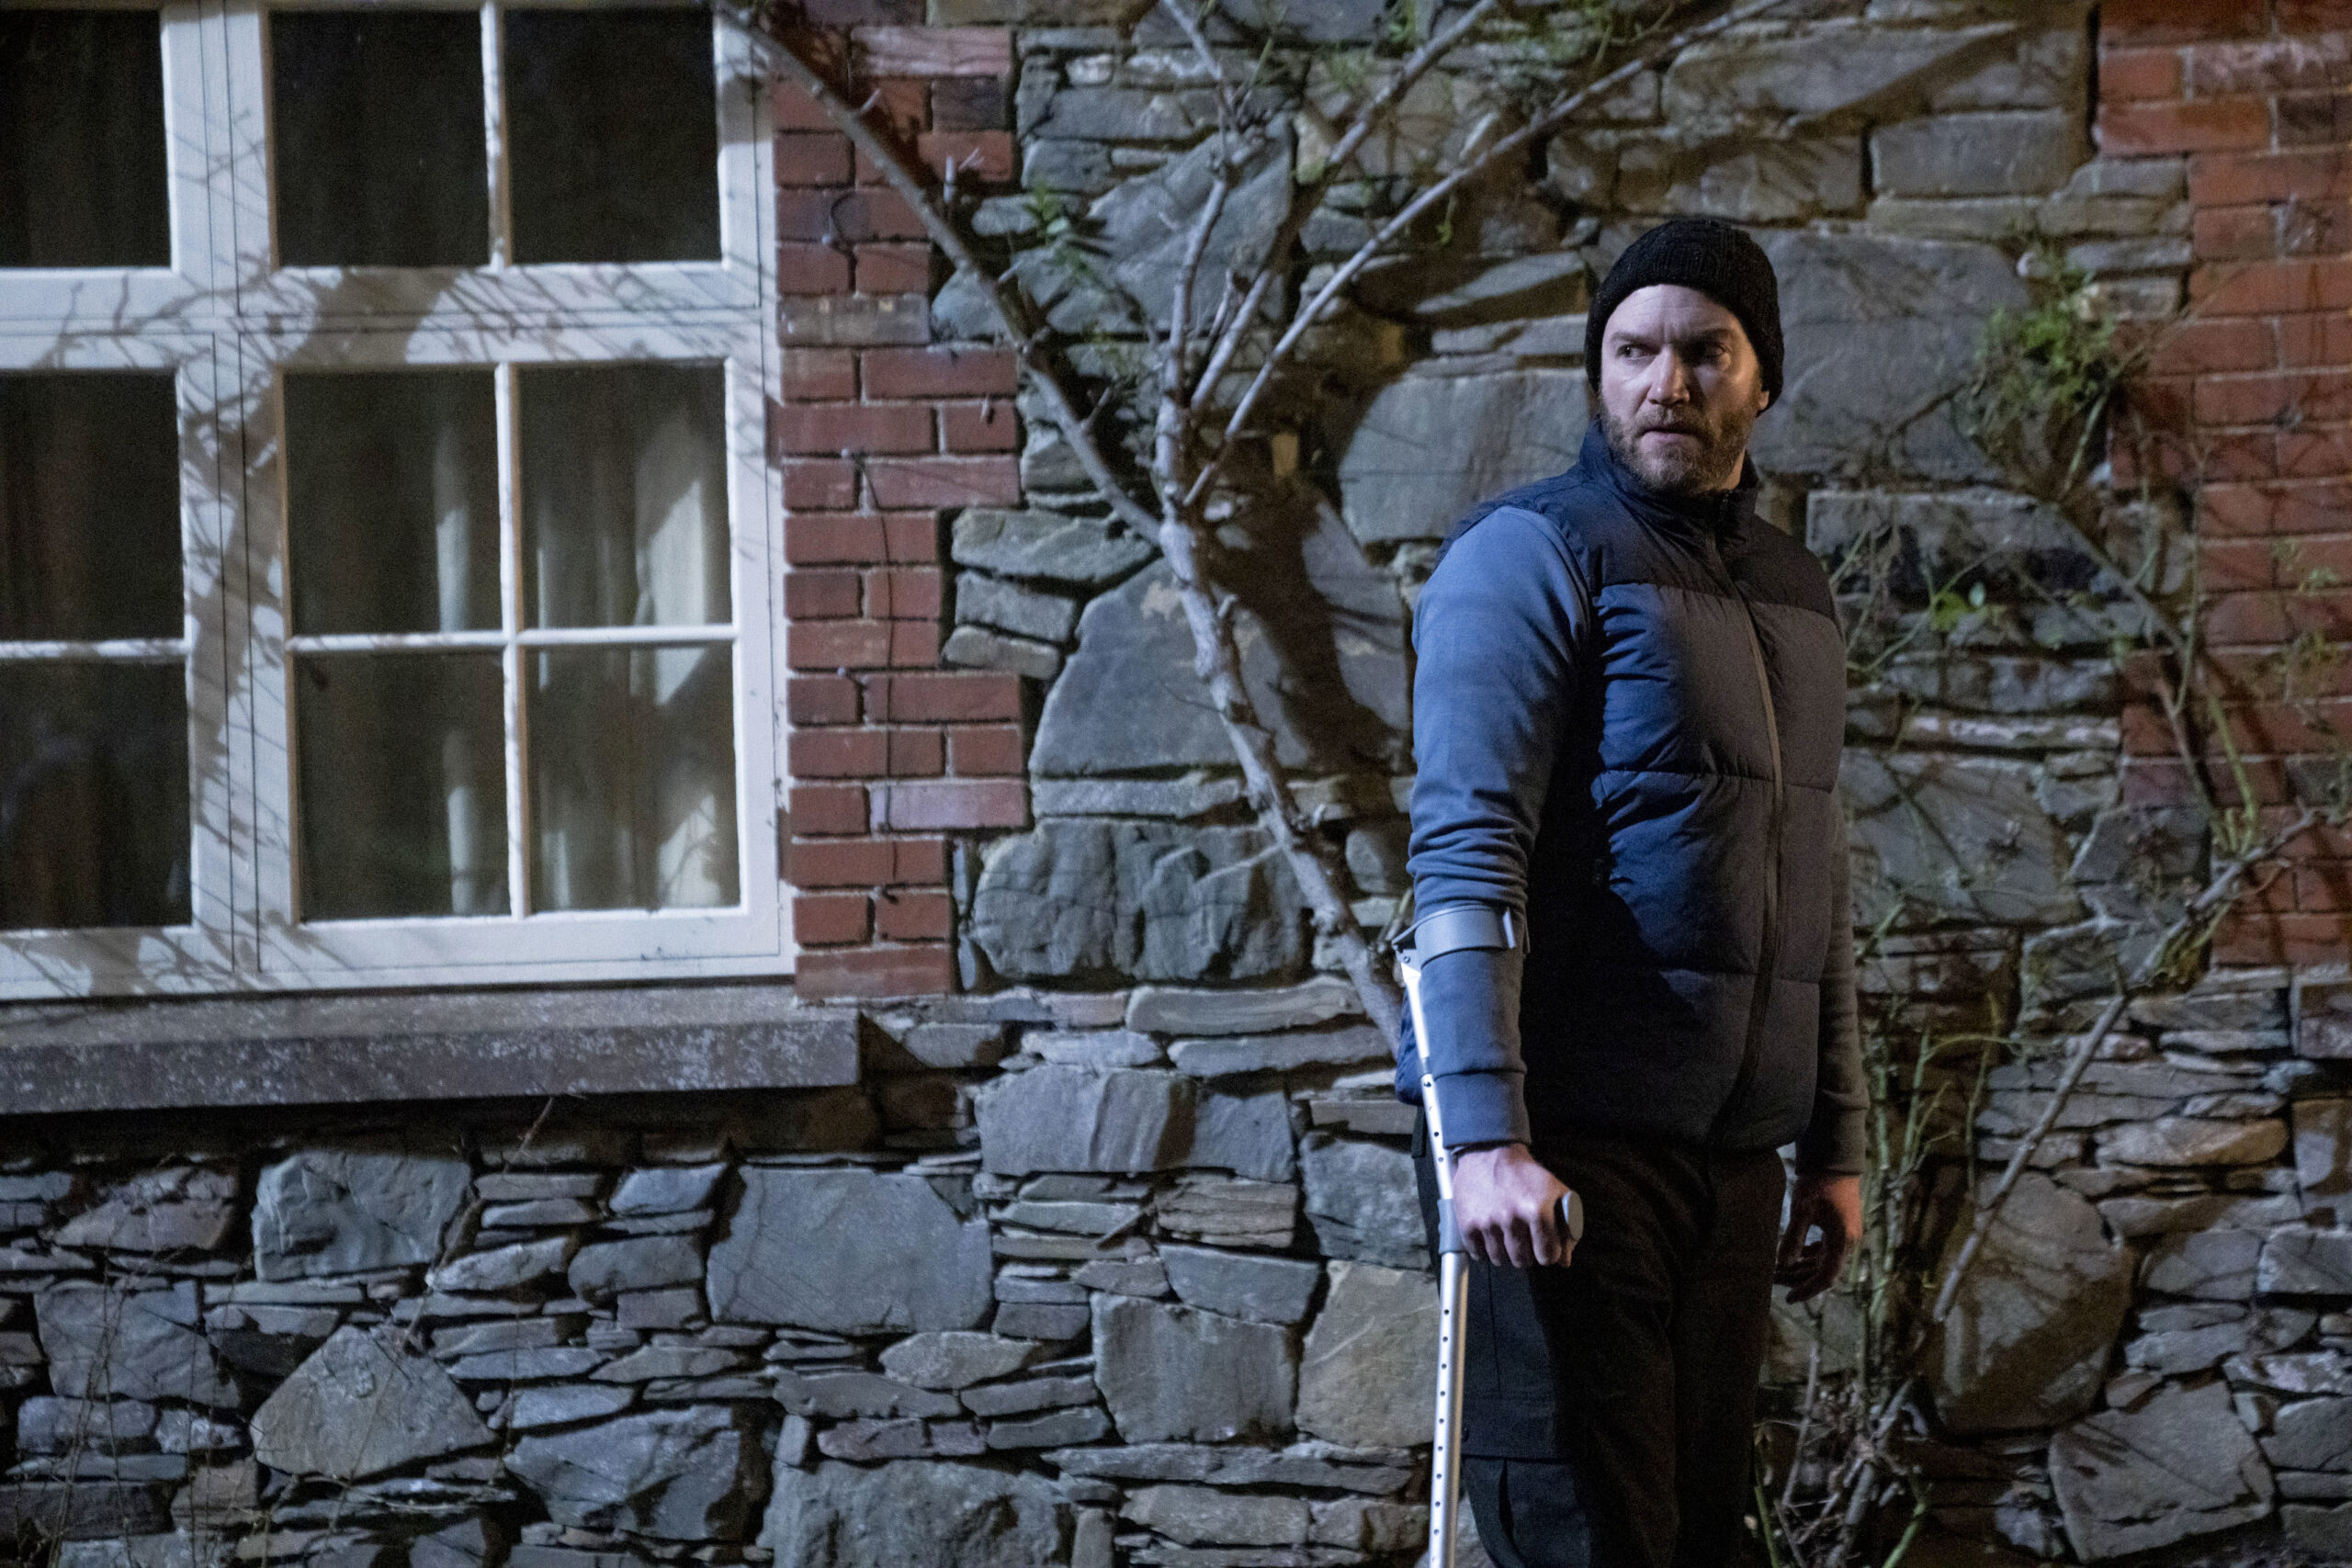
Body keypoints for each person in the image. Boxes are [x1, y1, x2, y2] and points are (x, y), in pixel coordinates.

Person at [1398, 217, 1868, 1568]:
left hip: (1729, 1173)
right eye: (1634, 351)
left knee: (1698, 1543)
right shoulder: (1530, 554)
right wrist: (1482, 1136)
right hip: (1563, 1165)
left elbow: (1814, 881)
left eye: (1704, 353)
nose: (1668, 382)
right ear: (1600, 374)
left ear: (1759, 377)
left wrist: (1830, 1146)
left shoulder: (1795, 593)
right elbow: (1464, 853)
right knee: (1585, 1538)